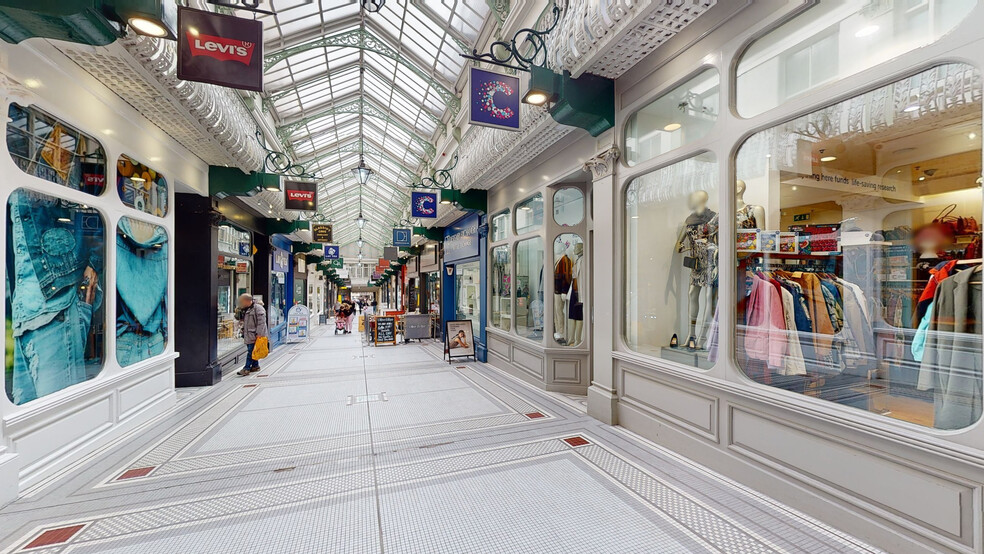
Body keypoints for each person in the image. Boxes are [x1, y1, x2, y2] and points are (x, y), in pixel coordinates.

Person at [236, 294, 268, 376]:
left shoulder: (258, 308)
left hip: (255, 334)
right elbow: (239, 318)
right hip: (248, 334)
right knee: (253, 350)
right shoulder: (246, 309)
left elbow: (261, 322)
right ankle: (255, 366)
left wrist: (259, 334)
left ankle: (246, 368)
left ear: (248, 301)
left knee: (250, 351)